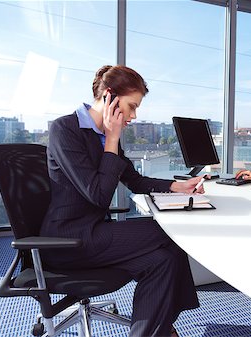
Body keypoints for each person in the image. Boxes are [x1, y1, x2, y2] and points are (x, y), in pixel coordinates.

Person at [40, 65, 203, 337]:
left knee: (162, 259)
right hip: (67, 240)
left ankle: (154, 329)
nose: (134, 116)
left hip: (94, 232)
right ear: (109, 97)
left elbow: (135, 181)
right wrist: (113, 138)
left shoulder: (104, 137)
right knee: (167, 233)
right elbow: (98, 194)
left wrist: (177, 186)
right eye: (131, 106)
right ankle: (163, 327)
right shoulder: (65, 129)